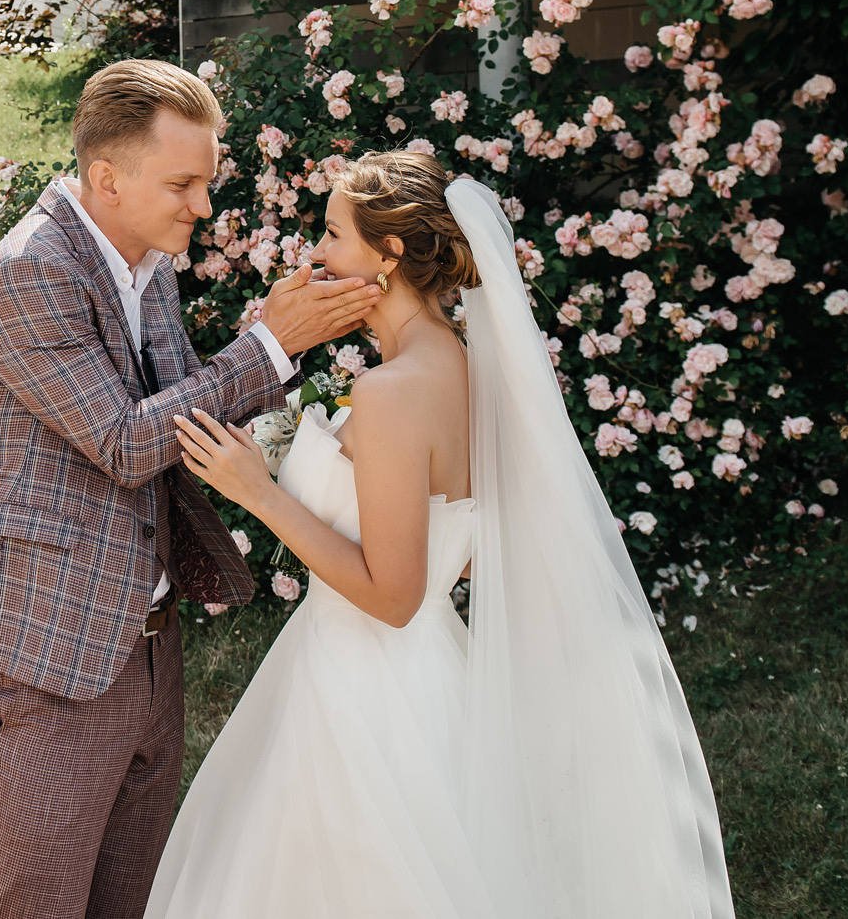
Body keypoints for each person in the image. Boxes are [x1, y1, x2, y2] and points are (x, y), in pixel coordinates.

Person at [150, 151, 737, 919]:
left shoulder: (391, 391)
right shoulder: (454, 366)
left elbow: (393, 595)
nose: (317, 253)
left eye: (331, 234)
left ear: (389, 255)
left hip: (364, 696)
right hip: (418, 675)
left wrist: (259, 493)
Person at [0, 59, 382, 919]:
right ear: (108, 177)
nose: (202, 208)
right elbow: (125, 441)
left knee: (130, 906)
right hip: (50, 655)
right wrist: (271, 346)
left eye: (205, 183)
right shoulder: (27, 272)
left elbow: (185, 415)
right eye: (183, 183)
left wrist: (277, 347)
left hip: (151, 649)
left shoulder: (149, 270)